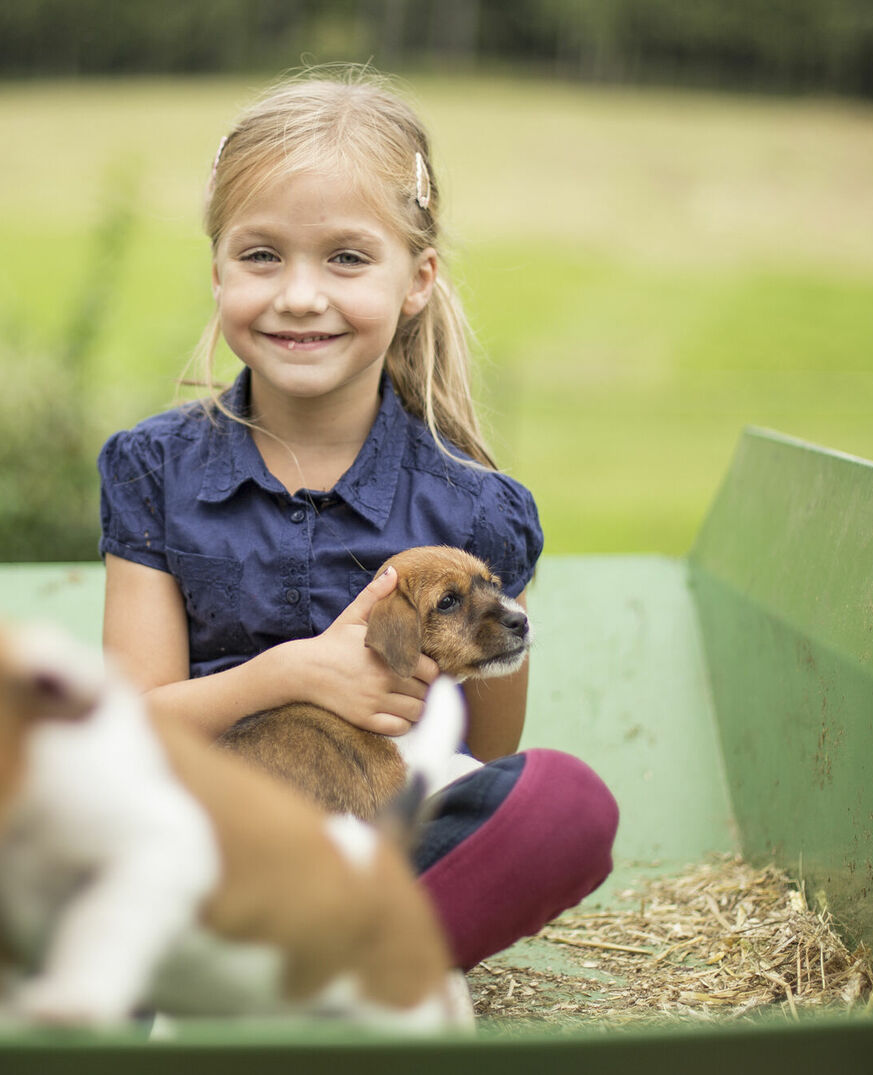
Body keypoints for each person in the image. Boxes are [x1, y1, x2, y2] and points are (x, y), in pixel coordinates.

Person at [97, 70, 617, 970]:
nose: (301, 294)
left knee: (565, 806)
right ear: (217, 270)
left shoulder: (477, 511)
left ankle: (322, 956)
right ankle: (283, 956)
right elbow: (129, 734)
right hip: (202, 837)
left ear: (416, 281)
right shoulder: (155, 471)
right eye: (261, 256)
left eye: (346, 257)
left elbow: (481, 762)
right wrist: (289, 673)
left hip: (384, 842)